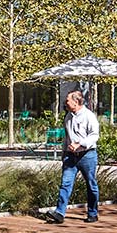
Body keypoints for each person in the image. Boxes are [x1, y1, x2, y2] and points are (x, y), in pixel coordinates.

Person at [47, 88, 102, 224]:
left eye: (67, 101)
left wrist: (80, 144)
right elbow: (67, 137)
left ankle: (92, 213)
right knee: (65, 183)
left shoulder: (89, 116)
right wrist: (64, 153)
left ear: (76, 102)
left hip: (87, 155)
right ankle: (59, 213)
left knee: (91, 185)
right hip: (70, 156)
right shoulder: (68, 117)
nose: (65, 103)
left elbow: (94, 135)